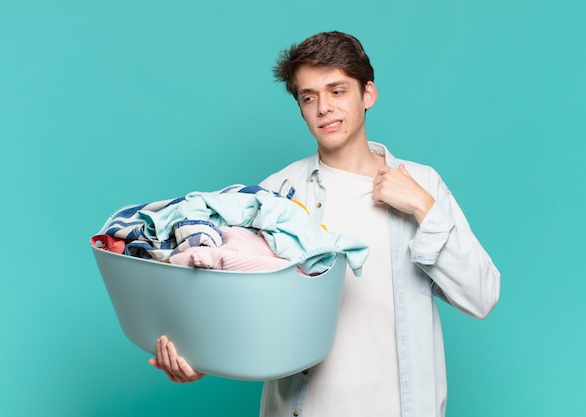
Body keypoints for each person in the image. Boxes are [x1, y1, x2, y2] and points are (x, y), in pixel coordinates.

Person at [149, 31, 501, 417]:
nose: (323, 108)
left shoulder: (422, 184)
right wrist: (200, 361)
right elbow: (241, 305)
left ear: (368, 94)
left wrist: (422, 206)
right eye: (309, 97)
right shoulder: (274, 195)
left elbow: (481, 296)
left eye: (337, 91)